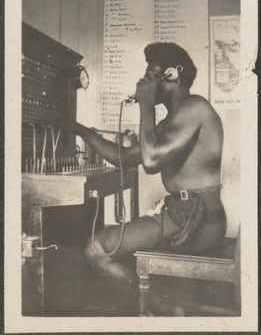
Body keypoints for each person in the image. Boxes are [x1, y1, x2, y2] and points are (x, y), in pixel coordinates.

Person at [61, 42, 227, 315]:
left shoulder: (195, 107)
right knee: (100, 246)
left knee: (96, 250)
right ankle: (166, 308)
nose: (143, 81)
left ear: (171, 75)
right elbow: (125, 158)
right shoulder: (174, 118)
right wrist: (79, 130)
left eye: (151, 74)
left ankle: (162, 308)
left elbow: (150, 162)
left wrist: (146, 106)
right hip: (185, 215)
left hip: (197, 221)